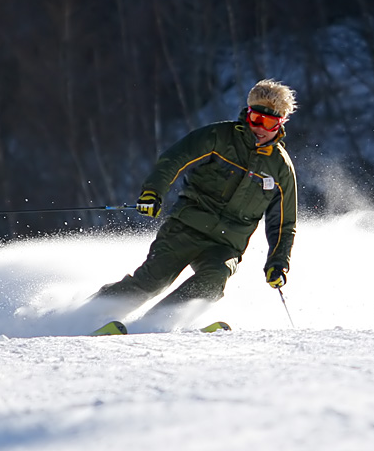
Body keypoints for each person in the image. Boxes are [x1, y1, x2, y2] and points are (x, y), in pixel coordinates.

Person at [90, 79, 298, 321]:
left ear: (280, 124)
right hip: (186, 227)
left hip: (226, 245)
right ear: (247, 114)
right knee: (152, 281)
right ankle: (89, 315)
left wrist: (278, 263)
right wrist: (153, 192)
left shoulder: (281, 168)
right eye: (255, 118)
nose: (259, 127)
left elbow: (283, 224)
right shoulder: (219, 137)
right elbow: (175, 158)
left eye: (269, 121)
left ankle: (156, 324)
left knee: (214, 280)